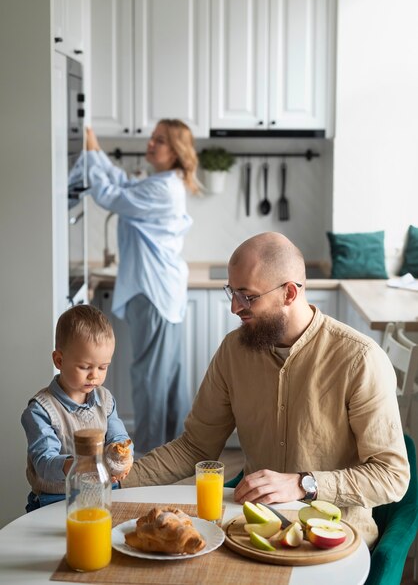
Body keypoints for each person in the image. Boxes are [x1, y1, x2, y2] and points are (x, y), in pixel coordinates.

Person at [119, 232, 410, 547]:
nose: (234, 307)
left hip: (333, 540)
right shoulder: (233, 351)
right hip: (253, 532)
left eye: (247, 295)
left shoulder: (360, 359)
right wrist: (115, 482)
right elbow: (195, 447)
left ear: (288, 293)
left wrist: (305, 484)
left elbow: (391, 476)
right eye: (231, 292)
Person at [81, 121, 199, 456]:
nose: (150, 144)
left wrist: (90, 149)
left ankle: (149, 462)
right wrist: (95, 150)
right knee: (168, 383)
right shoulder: (162, 182)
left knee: (152, 384)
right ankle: (173, 457)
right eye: (152, 137)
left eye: (159, 140)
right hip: (161, 291)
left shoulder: (162, 189)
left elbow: (110, 196)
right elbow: (119, 183)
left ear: (175, 151)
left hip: (153, 292)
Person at [21, 305, 133, 512]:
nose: (95, 376)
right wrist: (83, 464)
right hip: (54, 500)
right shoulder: (40, 411)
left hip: (101, 493)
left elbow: (119, 438)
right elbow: (44, 463)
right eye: (85, 367)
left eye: (102, 367)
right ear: (59, 360)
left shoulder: (105, 400)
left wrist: (121, 458)